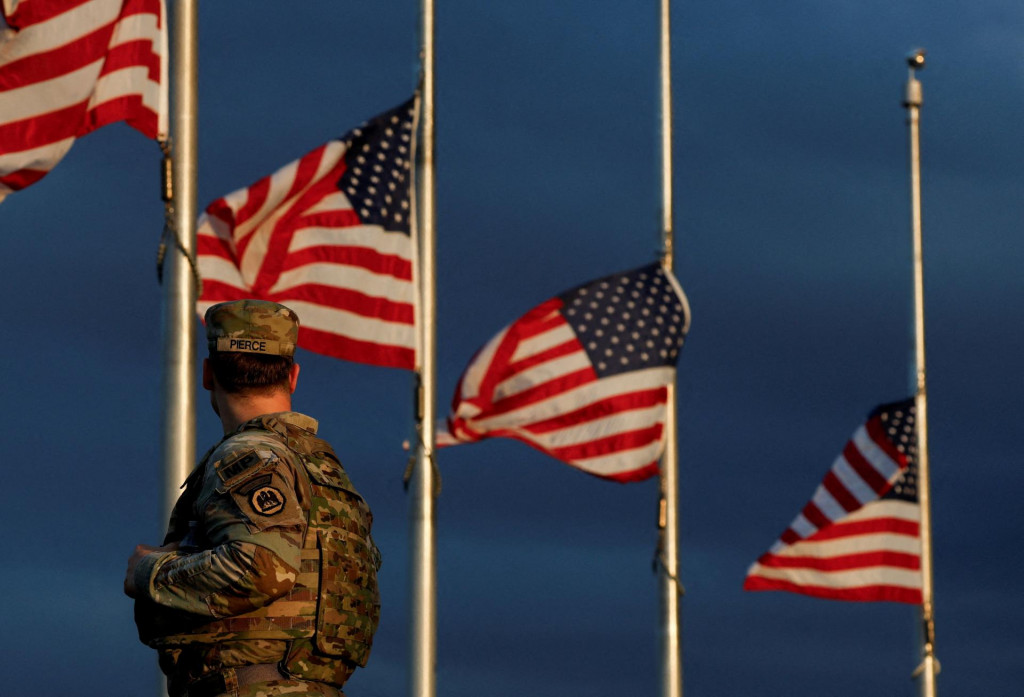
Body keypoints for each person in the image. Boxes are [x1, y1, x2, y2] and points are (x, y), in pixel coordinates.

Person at [125, 299, 381, 697]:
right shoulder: (321, 468)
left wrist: (149, 572)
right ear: (292, 377)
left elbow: (262, 566)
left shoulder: (250, 455)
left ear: (208, 374)